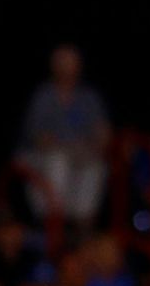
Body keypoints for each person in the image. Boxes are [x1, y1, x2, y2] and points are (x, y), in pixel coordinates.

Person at [14, 46, 111, 233]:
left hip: (80, 153)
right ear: (54, 66)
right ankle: (53, 222)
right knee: (58, 160)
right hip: (41, 156)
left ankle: (82, 223)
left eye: (72, 63)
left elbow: (102, 132)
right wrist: (70, 147)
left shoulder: (89, 97)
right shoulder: (43, 96)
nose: (67, 68)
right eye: (63, 63)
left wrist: (95, 145)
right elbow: (39, 138)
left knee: (97, 164)